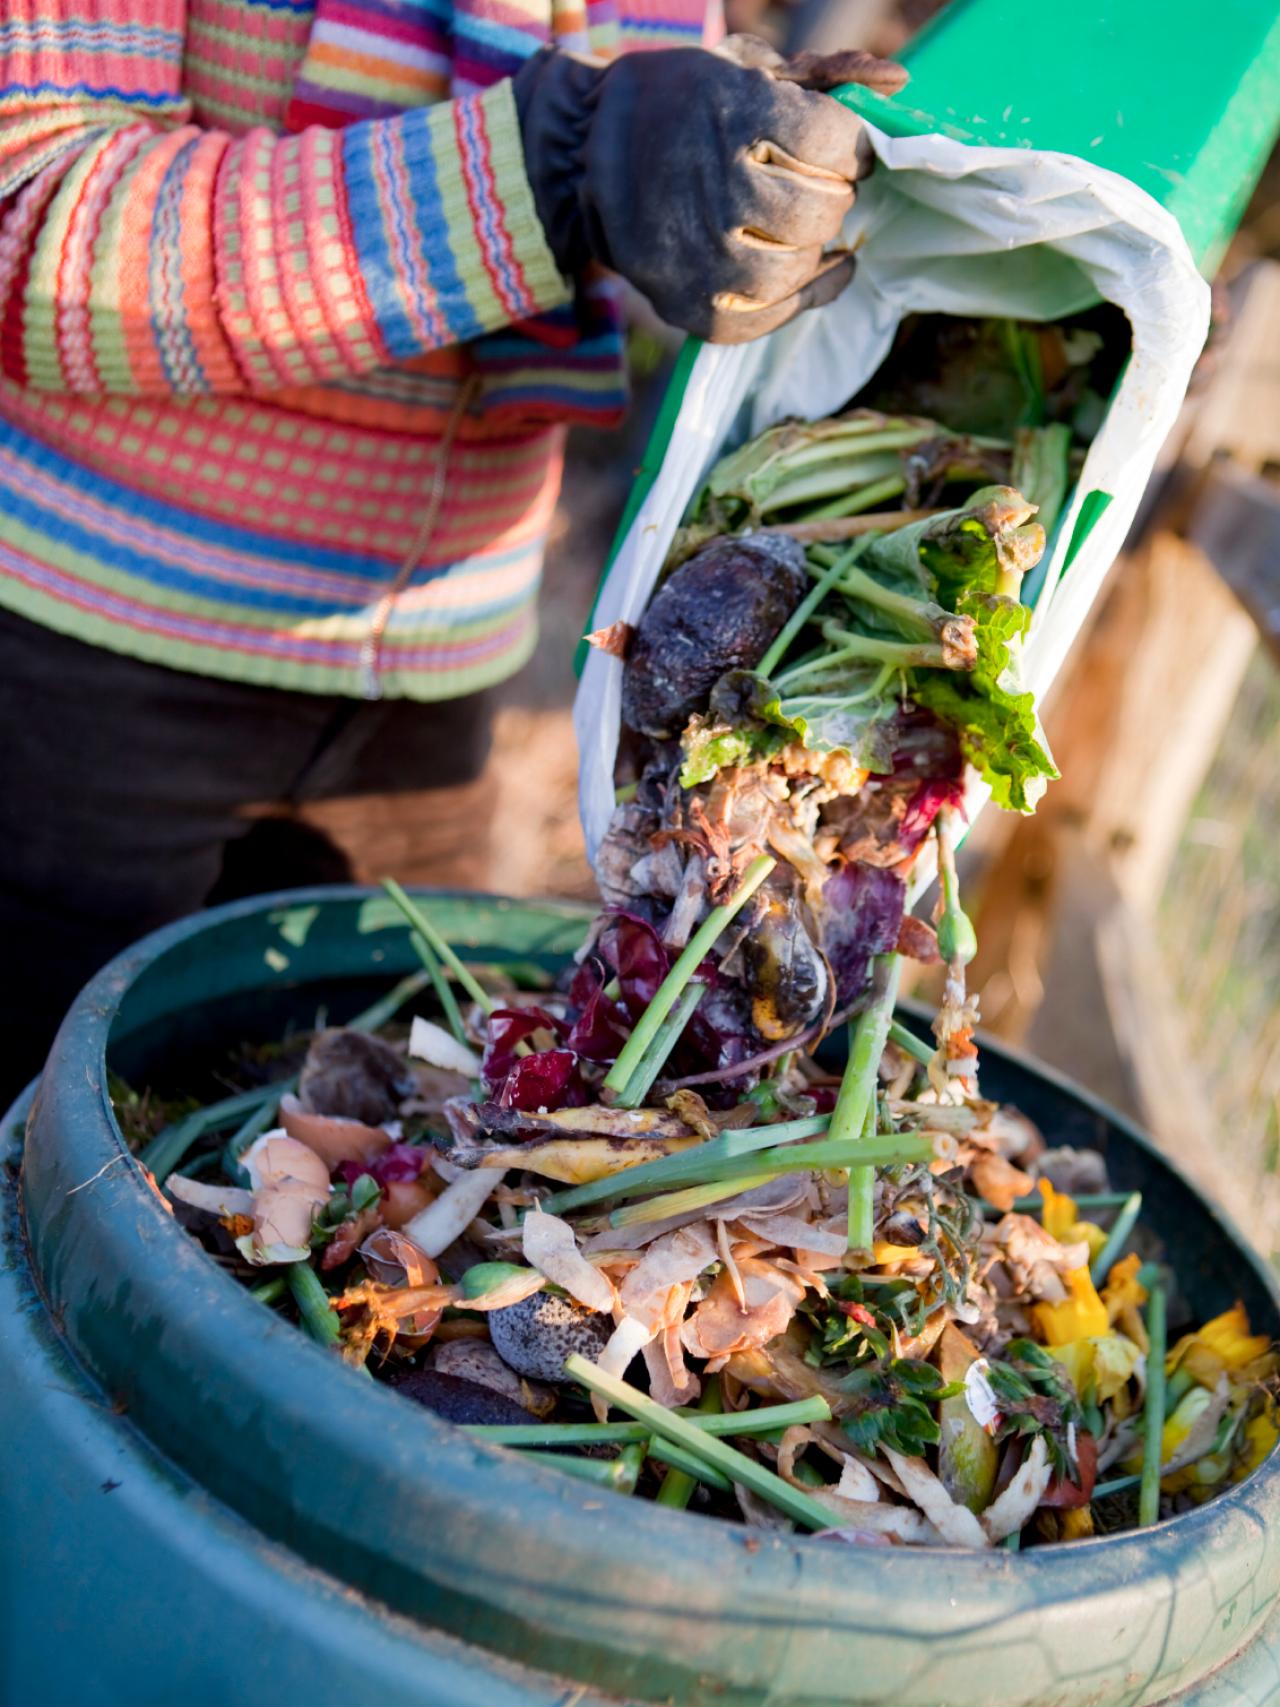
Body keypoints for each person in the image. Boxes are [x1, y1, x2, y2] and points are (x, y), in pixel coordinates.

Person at [0, 1, 899, 1098]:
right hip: (85, 675)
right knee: (39, 1154)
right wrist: (555, 160)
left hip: (434, 689)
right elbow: (34, 227)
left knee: (335, 1171)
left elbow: (634, 157)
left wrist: (726, 167)